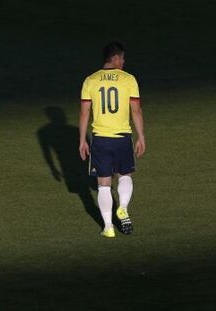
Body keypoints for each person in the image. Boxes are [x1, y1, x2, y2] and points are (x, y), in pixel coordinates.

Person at [79, 42, 145, 238]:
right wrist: (141, 136)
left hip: (100, 138)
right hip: (122, 137)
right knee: (125, 175)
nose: (123, 62)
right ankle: (122, 207)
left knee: (103, 183)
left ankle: (108, 228)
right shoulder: (129, 79)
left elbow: (84, 113)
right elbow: (136, 110)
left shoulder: (90, 80)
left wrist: (82, 140)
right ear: (115, 58)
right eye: (122, 58)